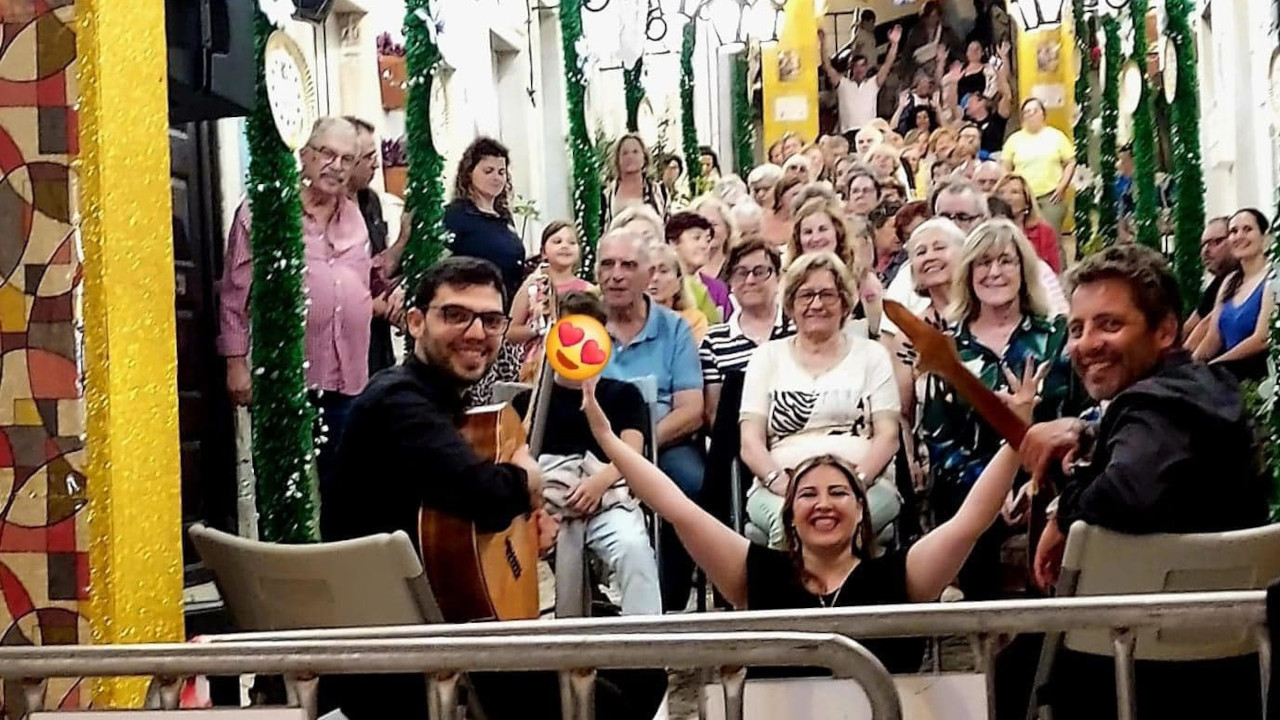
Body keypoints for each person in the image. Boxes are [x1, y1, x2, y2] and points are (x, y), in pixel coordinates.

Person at [577, 317, 1041, 674]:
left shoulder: (903, 577)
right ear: (790, 514)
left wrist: (1015, 432)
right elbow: (676, 508)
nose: (823, 503)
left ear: (862, 511)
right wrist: (608, 438)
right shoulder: (754, 574)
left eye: (839, 492)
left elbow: (970, 521)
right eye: (808, 495)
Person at [323, 257, 665, 720]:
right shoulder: (399, 401)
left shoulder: (444, 407)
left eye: (490, 319)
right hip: (414, 657)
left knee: (643, 670)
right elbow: (484, 494)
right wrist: (530, 478)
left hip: (457, 622)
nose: (476, 332)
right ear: (416, 321)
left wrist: (524, 524)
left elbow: (455, 511)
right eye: (455, 315)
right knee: (618, 695)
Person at [1019, 244, 1267, 720]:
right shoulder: (1214, 391)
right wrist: (1089, 433)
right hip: (1236, 676)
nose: (1086, 344)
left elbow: (1128, 491)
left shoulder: (1151, 405)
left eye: (1109, 324)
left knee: (1014, 667)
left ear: (1166, 331)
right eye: (1077, 328)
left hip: (1131, 682)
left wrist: (1063, 510)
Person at [920, 219, 1083, 599]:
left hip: (1053, 479)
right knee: (969, 518)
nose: (994, 272)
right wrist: (996, 492)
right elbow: (940, 442)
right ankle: (988, 637)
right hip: (971, 487)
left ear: (1023, 271)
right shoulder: (949, 351)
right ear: (969, 273)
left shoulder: (1058, 336)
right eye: (983, 263)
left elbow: (1084, 416)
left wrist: (1033, 484)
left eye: (1006, 261)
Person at [220, 117, 372, 515]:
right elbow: (236, 293)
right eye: (327, 154)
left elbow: (362, 283)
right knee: (287, 493)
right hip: (288, 381)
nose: (337, 166)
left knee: (343, 489)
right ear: (303, 154)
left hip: (350, 380)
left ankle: (339, 571)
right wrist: (236, 364)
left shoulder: (355, 216)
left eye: (347, 159)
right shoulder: (264, 209)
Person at [512, 292, 662, 617]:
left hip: (605, 495)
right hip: (546, 504)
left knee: (634, 549)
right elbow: (515, 459)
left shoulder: (623, 395)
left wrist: (599, 484)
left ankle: (646, 652)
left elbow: (631, 455)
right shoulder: (529, 404)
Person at [739, 252, 902, 549]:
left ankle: (853, 596)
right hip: (781, 487)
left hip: (866, 485)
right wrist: (783, 485)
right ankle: (792, 597)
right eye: (806, 295)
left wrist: (855, 484)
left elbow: (888, 436)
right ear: (790, 304)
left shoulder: (872, 355)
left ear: (844, 302)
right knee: (790, 522)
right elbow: (750, 443)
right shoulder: (766, 357)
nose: (816, 304)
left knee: (851, 520)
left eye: (827, 294)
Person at [596, 229, 706, 609]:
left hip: (664, 444)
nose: (616, 275)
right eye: (607, 265)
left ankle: (667, 603)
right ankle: (590, 601)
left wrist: (637, 451)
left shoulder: (674, 329)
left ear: (648, 275)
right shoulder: (582, 327)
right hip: (592, 446)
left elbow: (692, 411)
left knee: (692, 488)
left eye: (628, 265)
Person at [700, 239, 791, 427]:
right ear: (730, 281)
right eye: (741, 273)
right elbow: (714, 415)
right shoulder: (714, 341)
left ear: (778, 277)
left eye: (760, 272)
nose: (750, 280)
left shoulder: (798, 329)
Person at [344, 116, 401, 376]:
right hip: (344, 346)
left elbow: (379, 267)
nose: (376, 164)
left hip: (378, 341)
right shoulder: (326, 213)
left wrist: (405, 239)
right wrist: (369, 305)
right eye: (368, 157)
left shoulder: (371, 202)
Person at [1191, 208, 1275, 381]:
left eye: (1248, 229)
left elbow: (1261, 338)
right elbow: (1213, 338)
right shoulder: (1229, 281)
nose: (1239, 236)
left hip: (1258, 379)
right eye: (1233, 231)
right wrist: (1188, 367)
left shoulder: (1274, 277)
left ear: (1265, 236)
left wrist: (1215, 365)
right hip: (1226, 376)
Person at [444, 137, 526, 302]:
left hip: (509, 304)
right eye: (488, 171)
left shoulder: (504, 217)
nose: (496, 178)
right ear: (469, 173)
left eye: (501, 172)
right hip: (474, 304)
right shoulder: (456, 215)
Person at [506, 221, 594, 370]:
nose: (565, 246)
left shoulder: (588, 291)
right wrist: (537, 329)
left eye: (572, 242)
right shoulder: (532, 287)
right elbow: (511, 333)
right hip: (536, 368)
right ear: (544, 252)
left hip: (576, 365)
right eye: (557, 241)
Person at [1001, 99, 1075, 232]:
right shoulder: (1014, 139)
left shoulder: (1056, 136)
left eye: (1034, 111)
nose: (1030, 114)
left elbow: (1070, 162)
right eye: (1026, 112)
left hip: (1050, 197)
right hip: (1024, 198)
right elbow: (1005, 167)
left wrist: (1062, 186)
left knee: (1051, 238)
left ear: (1043, 114)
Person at [820, 24, 903, 139]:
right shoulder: (843, 84)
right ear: (851, 68)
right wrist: (823, 43)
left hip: (869, 134)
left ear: (867, 68)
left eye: (863, 66)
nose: (860, 69)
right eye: (856, 66)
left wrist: (894, 44)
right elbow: (827, 66)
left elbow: (887, 64)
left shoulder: (873, 83)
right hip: (847, 135)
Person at [672, 207, 731, 322]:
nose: (704, 246)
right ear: (673, 243)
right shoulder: (659, 285)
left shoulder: (718, 289)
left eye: (708, 240)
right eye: (696, 238)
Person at [1182, 216, 1234, 348]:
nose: (1205, 251)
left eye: (1216, 242)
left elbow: (1207, 325)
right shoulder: (1217, 283)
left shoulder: (1238, 279)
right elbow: (1191, 324)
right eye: (1203, 244)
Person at [996, 173, 1062, 273]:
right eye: (1001, 193)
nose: (1007, 198)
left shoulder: (1044, 232)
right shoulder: (987, 231)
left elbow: (1054, 271)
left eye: (1014, 192)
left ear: (1027, 202)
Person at [602, 133, 670, 226]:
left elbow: (668, 226)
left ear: (644, 158)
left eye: (635, 152)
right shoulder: (606, 194)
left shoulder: (660, 192)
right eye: (625, 153)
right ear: (617, 160)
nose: (630, 156)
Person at [651, 243, 711, 343]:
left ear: (678, 282)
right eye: (650, 271)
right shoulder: (627, 324)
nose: (655, 278)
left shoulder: (694, 321)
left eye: (663, 271)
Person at [790, 197, 861, 274]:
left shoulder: (861, 277)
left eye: (823, 229)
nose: (816, 238)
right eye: (808, 232)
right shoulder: (786, 278)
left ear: (838, 232)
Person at [870, 203, 907, 286]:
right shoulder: (860, 260)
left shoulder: (906, 263)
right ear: (876, 228)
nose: (900, 232)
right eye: (894, 227)